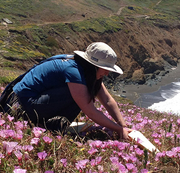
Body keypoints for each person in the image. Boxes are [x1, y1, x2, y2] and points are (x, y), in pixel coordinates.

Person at [1, 42, 132, 139]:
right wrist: (118, 129)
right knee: (79, 96)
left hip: (25, 99)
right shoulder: (73, 72)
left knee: (81, 94)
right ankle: (49, 127)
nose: (108, 73)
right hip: (20, 105)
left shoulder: (85, 68)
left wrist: (123, 125)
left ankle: (47, 123)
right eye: (106, 68)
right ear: (94, 66)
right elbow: (90, 110)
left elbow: (107, 99)